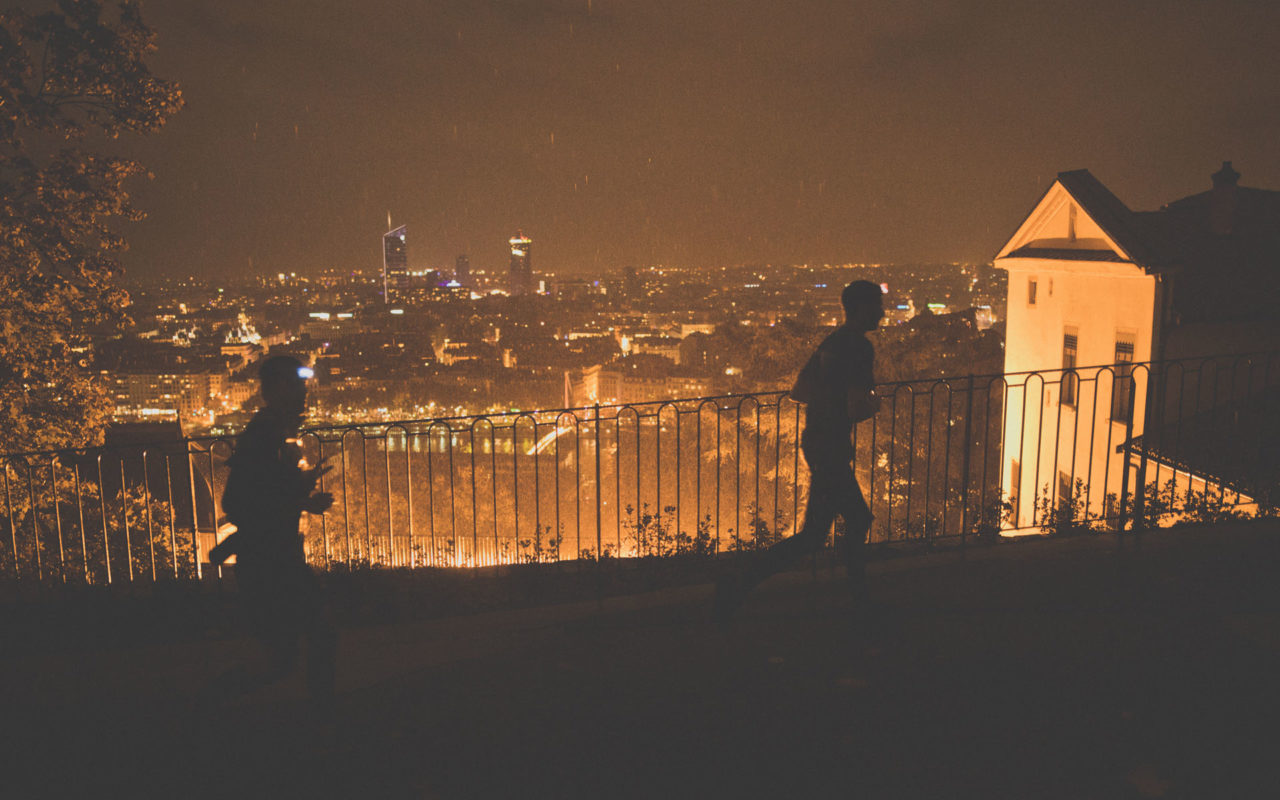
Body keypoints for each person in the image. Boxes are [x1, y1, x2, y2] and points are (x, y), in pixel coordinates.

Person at [715, 280, 884, 622]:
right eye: (877, 305)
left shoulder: (832, 342)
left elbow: (799, 391)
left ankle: (857, 599)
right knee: (828, 530)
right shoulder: (859, 348)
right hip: (833, 446)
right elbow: (856, 408)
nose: (882, 312)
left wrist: (829, 400)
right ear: (862, 308)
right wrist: (873, 406)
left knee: (828, 529)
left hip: (817, 442)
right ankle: (858, 602)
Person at [209, 355, 337, 716]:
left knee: (287, 654)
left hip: (272, 558)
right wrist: (295, 492)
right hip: (271, 560)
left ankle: (212, 701)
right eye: (298, 385)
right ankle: (323, 716)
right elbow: (237, 500)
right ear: (279, 388)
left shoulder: (275, 431)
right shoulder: (268, 434)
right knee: (315, 634)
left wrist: (302, 498)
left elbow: (260, 492)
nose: (305, 392)